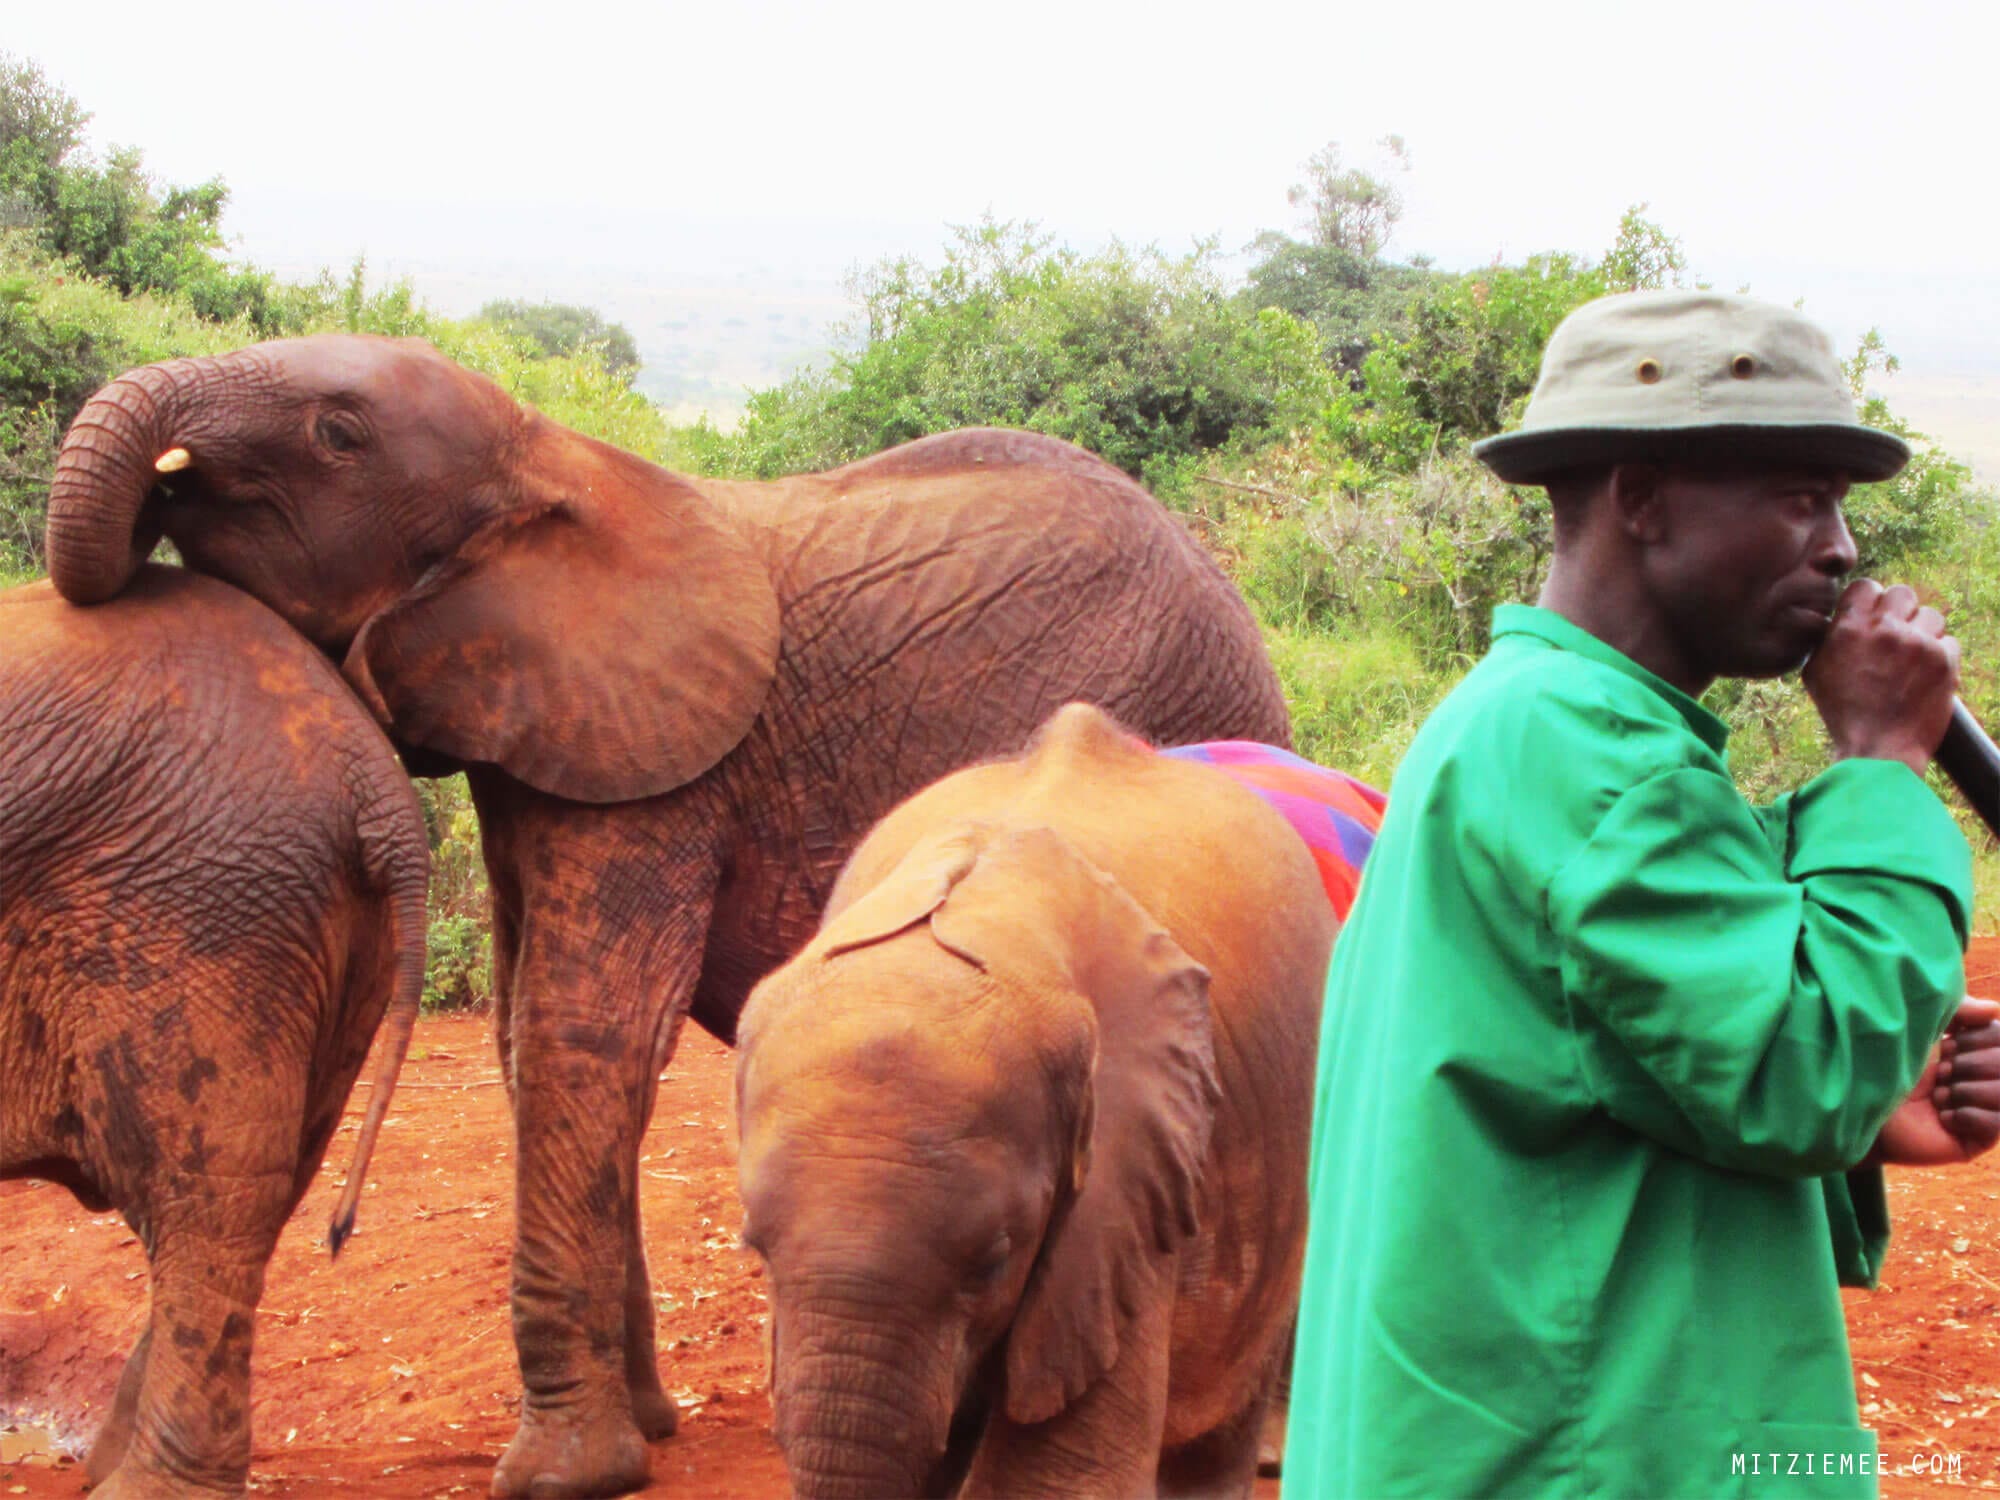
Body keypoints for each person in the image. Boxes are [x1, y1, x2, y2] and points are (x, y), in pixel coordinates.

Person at [1282, 290, 2000, 1498]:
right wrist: (1878, 760)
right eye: (1797, 496)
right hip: (1585, 1460)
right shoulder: (1603, 762)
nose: (1839, 547)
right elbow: (1805, 1075)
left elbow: (1580, 1081)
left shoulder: (1516, 721)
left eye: (1837, 504)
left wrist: (1880, 1113)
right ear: (1640, 497)